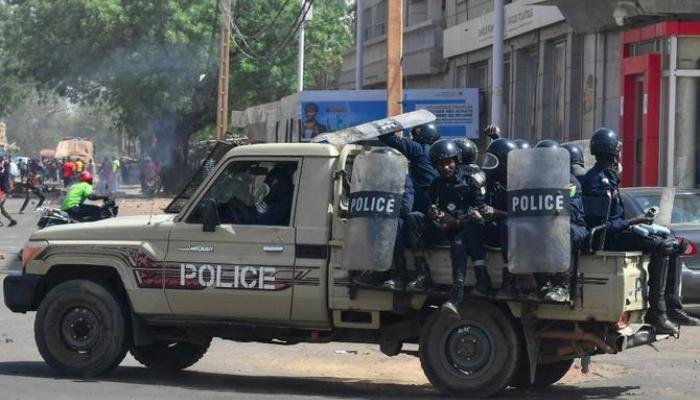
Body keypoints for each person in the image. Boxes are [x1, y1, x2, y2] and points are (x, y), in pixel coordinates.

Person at [580, 128, 700, 334]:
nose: (619, 155)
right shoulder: (595, 182)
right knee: (663, 246)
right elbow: (601, 227)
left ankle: (673, 307)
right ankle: (657, 312)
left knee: (675, 244)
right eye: (617, 151)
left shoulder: (608, 177)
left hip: (617, 233)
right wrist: (634, 221)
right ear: (611, 153)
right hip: (607, 239)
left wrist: (637, 224)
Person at [427, 139, 491, 316]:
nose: (446, 167)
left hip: (471, 228)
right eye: (441, 164)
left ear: (456, 161)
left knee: (460, 242)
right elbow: (432, 207)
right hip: (448, 229)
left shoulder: (470, 180)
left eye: (449, 163)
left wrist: (456, 221)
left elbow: (480, 210)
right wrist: (436, 214)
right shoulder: (436, 184)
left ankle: (456, 297)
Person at [375, 123, 440, 290]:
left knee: (396, 223)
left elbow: (387, 137)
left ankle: (401, 275)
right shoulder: (440, 153)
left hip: (427, 218)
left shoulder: (418, 149)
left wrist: (393, 124)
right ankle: (414, 274)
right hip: (436, 220)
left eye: (413, 136)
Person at [533, 140, 589, 302]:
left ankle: (562, 286)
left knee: (560, 228)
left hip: (575, 227)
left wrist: (558, 209)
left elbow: (572, 210)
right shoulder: (536, 183)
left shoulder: (568, 182)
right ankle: (543, 284)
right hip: (548, 227)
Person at [481, 137, 519, 299]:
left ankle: (509, 281)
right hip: (494, 230)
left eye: (493, 160)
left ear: (506, 163)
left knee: (507, 225)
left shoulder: (521, 184)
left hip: (517, 235)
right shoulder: (491, 182)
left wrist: (497, 213)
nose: (489, 164)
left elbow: (524, 216)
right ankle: (481, 279)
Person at [225, 164, 297, 226]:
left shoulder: (286, 202)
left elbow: (260, 221)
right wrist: (238, 203)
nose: (267, 183)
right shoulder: (275, 197)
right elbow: (257, 210)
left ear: (283, 182)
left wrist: (239, 205)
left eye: (271, 180)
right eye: (267, 180)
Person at [0, 158, 17, 227]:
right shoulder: (6, 171)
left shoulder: (4, 171)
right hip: (4, 191)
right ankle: (12, 220)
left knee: (1, 207)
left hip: (2, 191)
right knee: (1, 208)